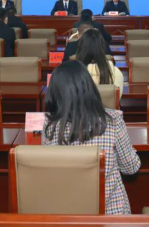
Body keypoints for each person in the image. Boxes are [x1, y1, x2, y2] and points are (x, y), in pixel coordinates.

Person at [43, 61, 140, 214]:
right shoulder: (113, 120)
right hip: (112, 215)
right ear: (90, 87)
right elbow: (130, 168)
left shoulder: (50, 126)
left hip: (67, 214)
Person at [75, 29, 124, 95]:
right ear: (102, 48)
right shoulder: (116, 73)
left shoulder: (71, 74)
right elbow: (116, 98)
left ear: (80, 48)